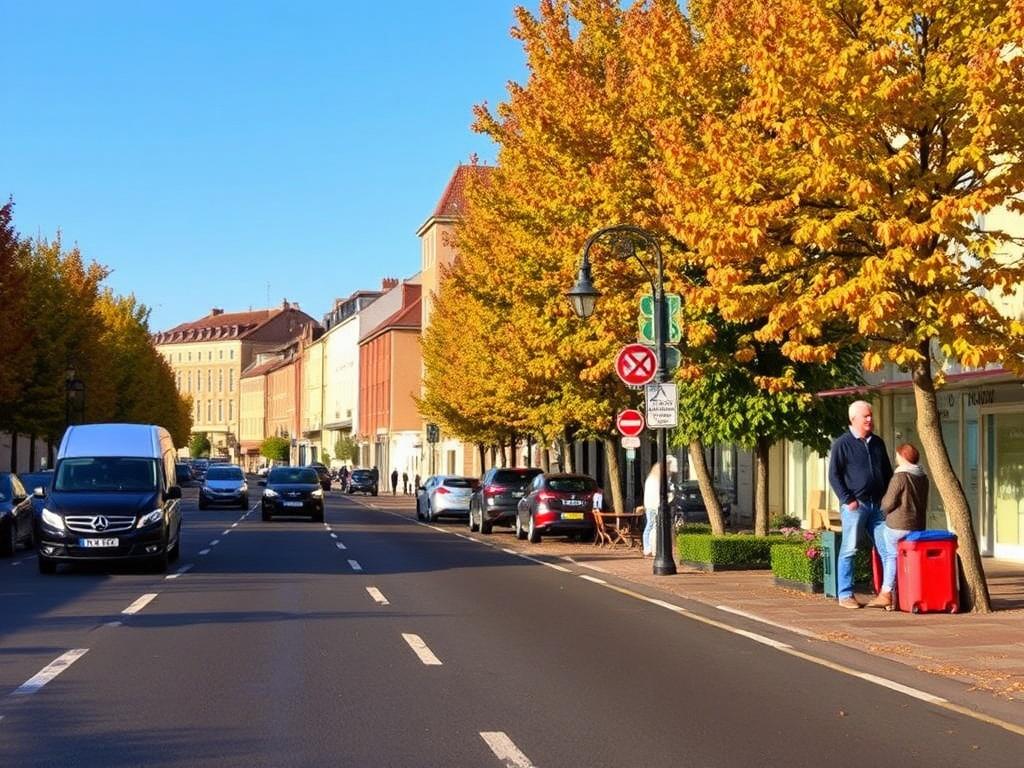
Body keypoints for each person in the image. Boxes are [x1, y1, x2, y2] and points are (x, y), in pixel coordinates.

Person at [828, 400, 893, 609]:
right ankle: (845, 594)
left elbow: (887, 472)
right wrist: (848, 499)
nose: (870, 419)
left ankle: (887, 593)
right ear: (853, 419)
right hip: (856, 506)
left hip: (877, 506)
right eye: (865, 416)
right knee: (849, 549)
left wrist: (887, 499)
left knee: (887, 549)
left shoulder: (877, 443)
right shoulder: (842, 444)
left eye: (871, 415)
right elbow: (834, 475)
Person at [869, 443, 929, 610]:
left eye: (897, 455)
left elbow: (888, 502)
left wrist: (882, 508)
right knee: (899, 555)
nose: (896, 458)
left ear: (902, 457)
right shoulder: (922, 476)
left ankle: (886, 592)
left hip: (898, 525)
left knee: (888, 553)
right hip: (917, 526)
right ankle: (898, 589)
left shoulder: (900, 476)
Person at [642, 463, 661, 557]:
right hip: (651, 506)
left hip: (654, 506)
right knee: (650, 525)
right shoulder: (652, 480)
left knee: (652, 526)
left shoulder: (655, 480)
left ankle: (651, 547)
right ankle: (647, 547)